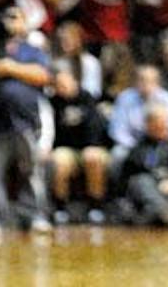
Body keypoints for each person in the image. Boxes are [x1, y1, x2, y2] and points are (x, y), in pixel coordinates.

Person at [0, 5, 52, 232]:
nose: (9, 22)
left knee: (31, 172)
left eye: (15, 17)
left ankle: (34, 216)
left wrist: (11, 68)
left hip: (26, 122)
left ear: (24, 24)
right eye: (6, 17)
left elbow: (43, 76)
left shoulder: (32, 50)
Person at [48, 65, 109, 224]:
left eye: (64, 83)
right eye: (58, 85)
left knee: (92, 158)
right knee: (58, 160)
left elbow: (96, 126)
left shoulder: (88, 98)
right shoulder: (53, 103)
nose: (62, 87)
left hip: (91, 147)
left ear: (75, 82)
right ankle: (60, 207)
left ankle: (96, 206)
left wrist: (92, 145)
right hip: (66, 148)